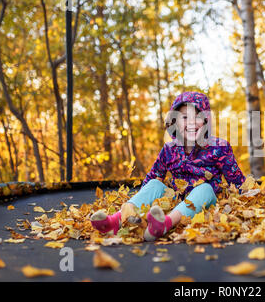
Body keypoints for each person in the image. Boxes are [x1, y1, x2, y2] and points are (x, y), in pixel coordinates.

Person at [90, 91, 246, 241]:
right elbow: (152, 177)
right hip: (175, 200)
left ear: (206, 121)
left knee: (205, 188)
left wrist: (248, 195)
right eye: (184, 117)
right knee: (155, 183)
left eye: (197, 117)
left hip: (204, 202)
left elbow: (237, 180)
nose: (191, 122)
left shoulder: (219, 147)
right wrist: (142, 199)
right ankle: (117, 220)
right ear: (175, 122)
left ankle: (165, 223)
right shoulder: (169, 149)